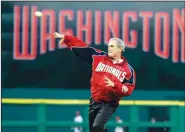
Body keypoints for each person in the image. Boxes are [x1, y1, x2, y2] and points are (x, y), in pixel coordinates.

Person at [53, 32, 136, 132]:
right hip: (95, 100)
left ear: (120, 49)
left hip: (109, 103)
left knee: (97, 127)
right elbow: (84, 49)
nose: (109, 48)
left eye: (112, 46)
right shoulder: (99, 57)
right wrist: (67, 38)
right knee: (93, 130)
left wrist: (115, 85)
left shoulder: (128, 70)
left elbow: (128, 89)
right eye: (109, 46)